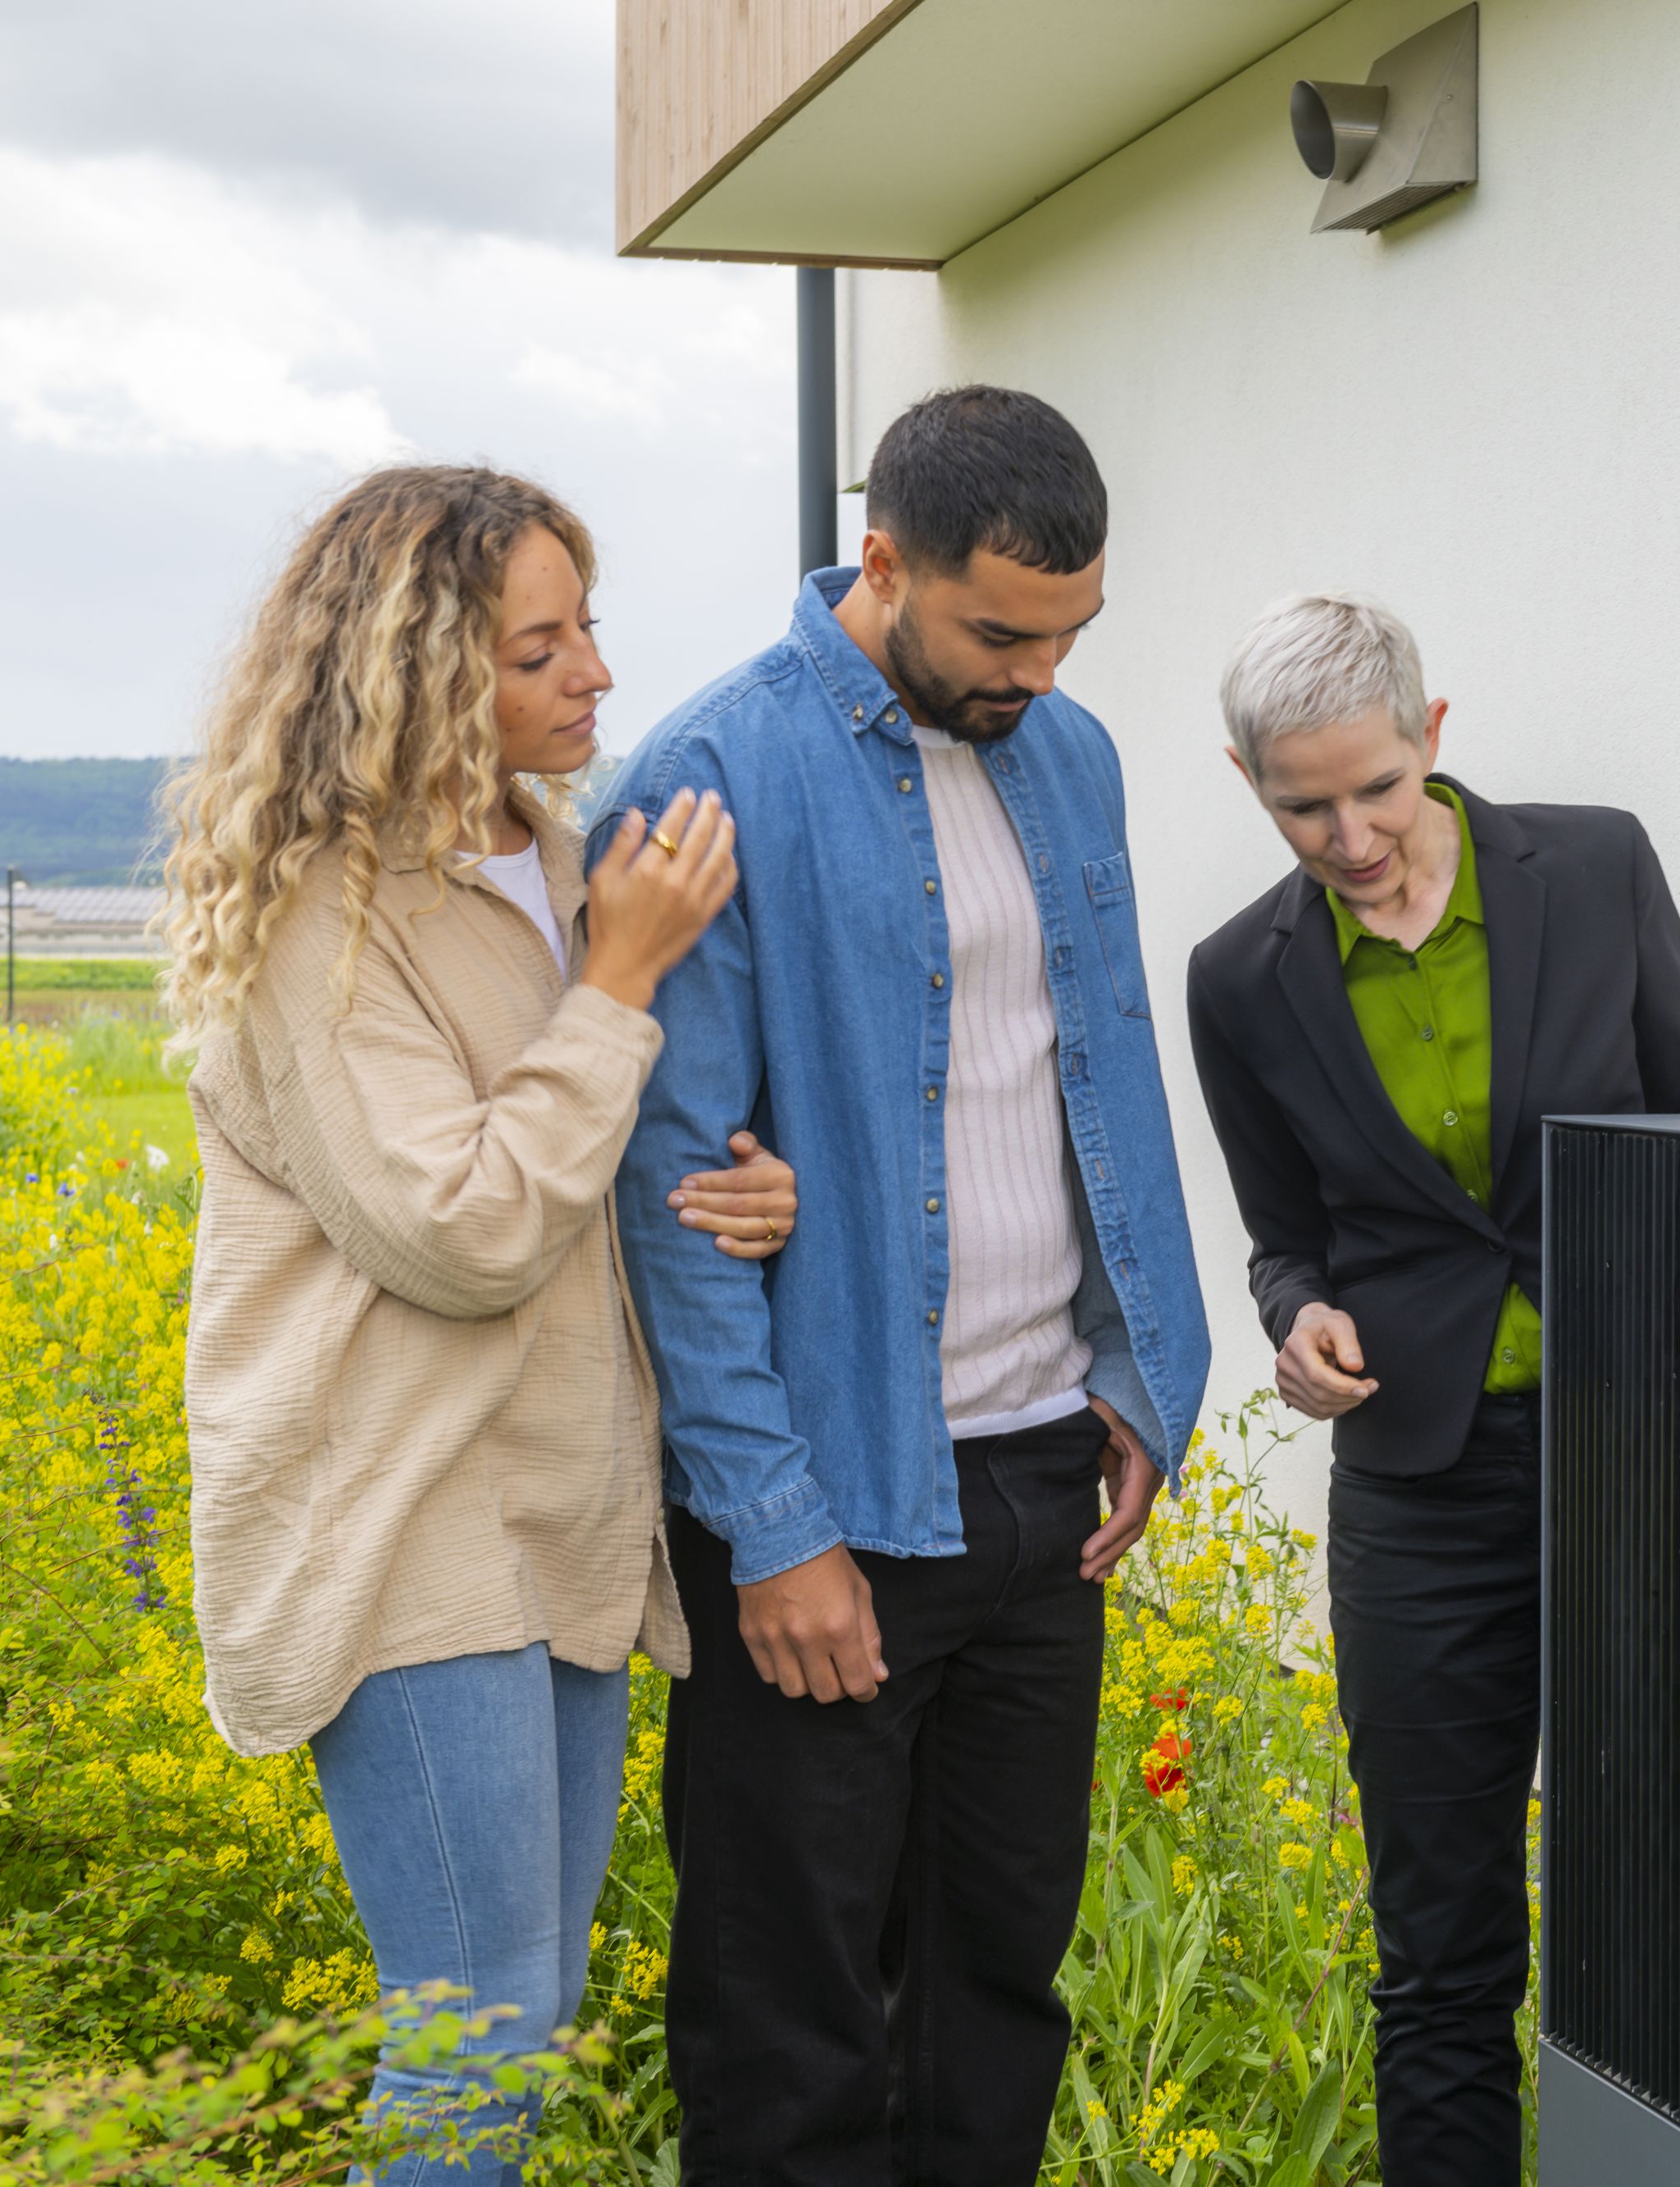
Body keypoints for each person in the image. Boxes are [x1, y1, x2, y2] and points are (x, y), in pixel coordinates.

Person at [594, 384, 1209, 2185]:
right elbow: (673, 1186)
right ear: (882, 560)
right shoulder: (709, 775)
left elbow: (1084, 1073)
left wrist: (1129, 1370)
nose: (1035, 668)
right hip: (837, 1496)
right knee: (791, 2030)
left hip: (1037, 1483)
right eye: (997, 629)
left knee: (993, 2001)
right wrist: (772, 1526)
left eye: (1070, 631)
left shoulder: (1069, 753)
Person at [166, 465, 803, 2185]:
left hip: (565, 1517)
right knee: (478, 2039)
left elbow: (592, 1151)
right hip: (401, 1516)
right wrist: (617, 982)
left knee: (525, 2015)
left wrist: (746, 1193)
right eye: (540, 647)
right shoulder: (325, 918)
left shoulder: (564, 855)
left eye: (585, 627)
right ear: (421, 670)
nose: (595, 673)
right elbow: (461, 1228)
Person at [1184, 592, 1680, 2187]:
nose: (1344, 833)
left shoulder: (1598, 864)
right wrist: (1295, 1322)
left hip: (1647, 1452)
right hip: (1421, 1488)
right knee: (1440, 1934)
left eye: (1373, 788)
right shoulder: (1238, 979)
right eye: (1298, 803)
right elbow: (1283, 1237)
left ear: (1433, 735)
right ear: (1244, 777)